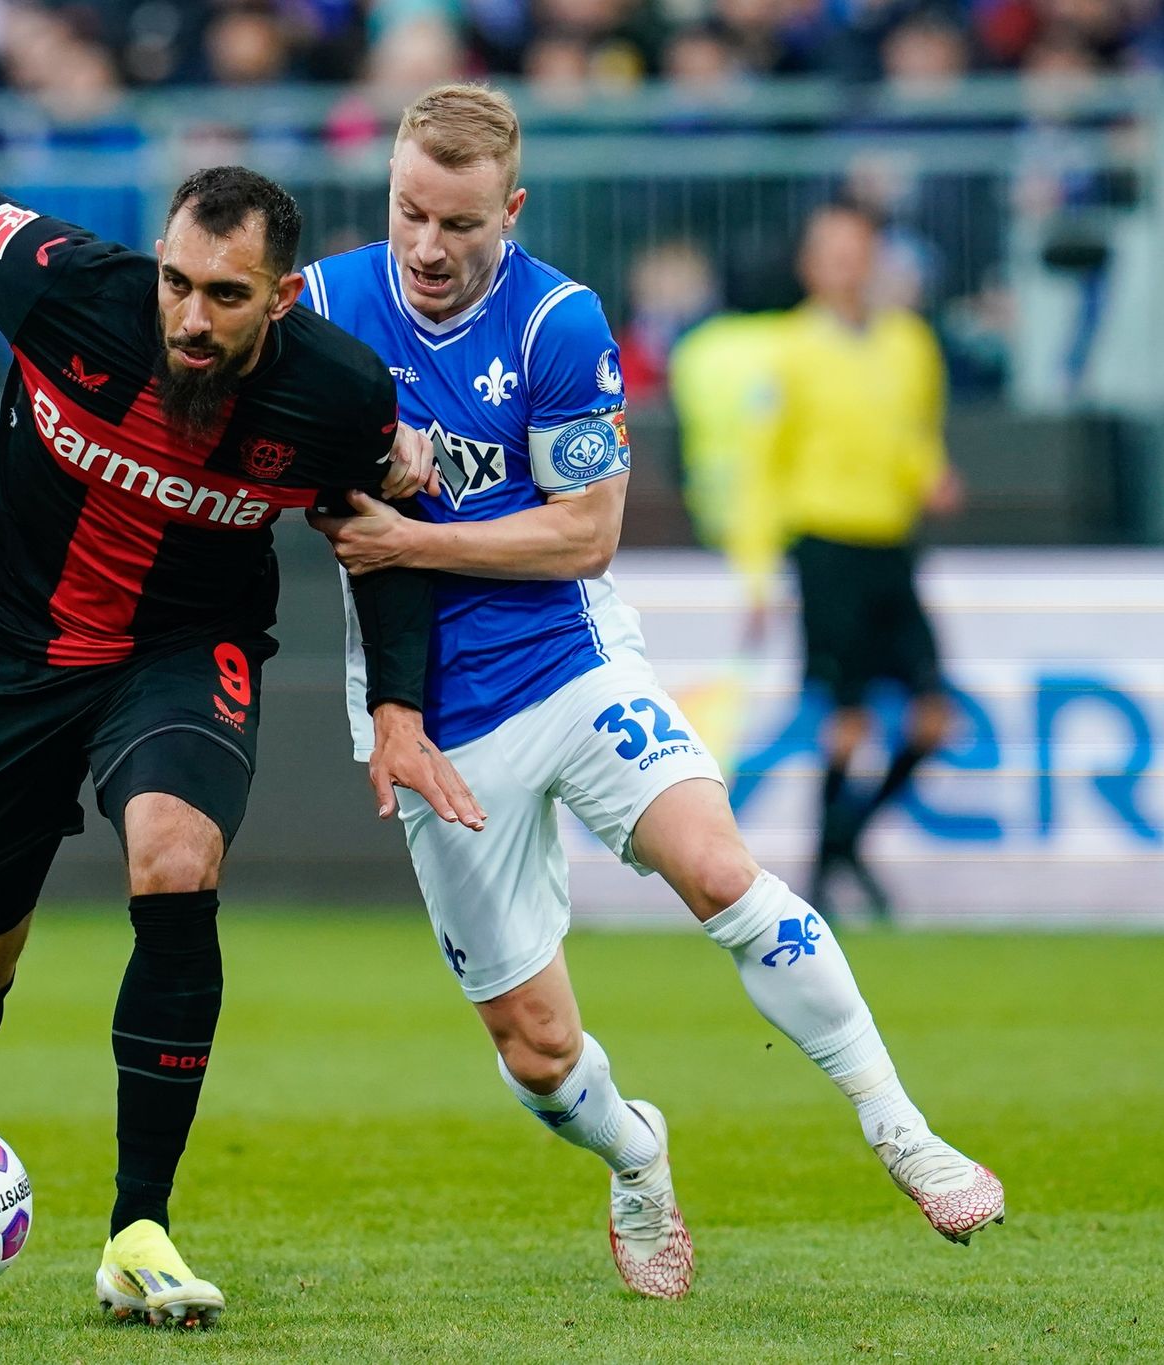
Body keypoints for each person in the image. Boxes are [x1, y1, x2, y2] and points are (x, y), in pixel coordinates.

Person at [0, 75, 479, 1329]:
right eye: (177, 281)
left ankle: (139, 1228)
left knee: (174, 860)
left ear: (277, 300)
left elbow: (377, 535)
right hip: (10, 653)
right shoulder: (68, 286)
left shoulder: (337, 394)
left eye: (224, 297)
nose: (188, 315)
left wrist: (399, 709)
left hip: (183, 650)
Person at [304, 84, 1001, 1302]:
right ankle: (634, 1158)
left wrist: (416, 543)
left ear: (507, 211)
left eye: (459, 224)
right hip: (429, 723)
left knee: (721, 871)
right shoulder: (320, 305)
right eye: (410, 213)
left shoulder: (557, 323)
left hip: (568, 664)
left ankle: (900, 1128)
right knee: (535, 1051)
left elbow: (584, 536)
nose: (426, 247)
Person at [727, 202, 962, 920]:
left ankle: (841, 845)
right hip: (826, 544)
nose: (847, 265)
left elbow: (916, 433)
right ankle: (831, 866)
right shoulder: (789, 352)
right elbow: (760, 466)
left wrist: (931, 473)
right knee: (847, 716)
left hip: (891, 544)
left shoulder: (910, 343)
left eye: (857, 250)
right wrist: (758, 567)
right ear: (811, 266)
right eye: (832, 251)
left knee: (932, 716)